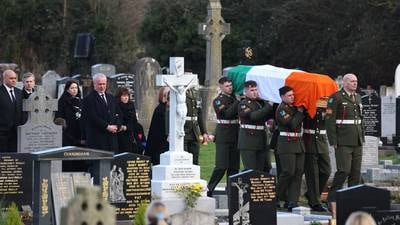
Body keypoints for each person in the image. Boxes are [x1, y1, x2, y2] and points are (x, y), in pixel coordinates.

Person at [326, 73, 364, 205]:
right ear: (345, 82)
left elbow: (359, 119)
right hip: (343, 141)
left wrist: (362, 137)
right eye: (352, 81)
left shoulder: (358, 97)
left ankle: (352, 202)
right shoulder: (336, 97)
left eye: (356, 81)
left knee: (355, 173)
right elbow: (329, 121)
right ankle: (332, 200)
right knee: (343, 171)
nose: (355, 83)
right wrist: (333, 141)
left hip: (357, 140)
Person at [207, 77, 240, 197]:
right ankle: (209, 188)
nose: (230, 87)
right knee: (221, 165)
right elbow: (226, 114)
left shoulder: (234, 98)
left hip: (235, 134)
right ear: (221, 87)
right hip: (224, 136)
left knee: (234, 166)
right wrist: (237, 102)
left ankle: (232, 191)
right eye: (227, 86)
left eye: (231, 85)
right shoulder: (218, 101)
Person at [275, 85, 305, 212]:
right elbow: (292, 124)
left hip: (298, 142)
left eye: (293, 95)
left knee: (298, 173)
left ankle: (292, 201)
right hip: (286, 143)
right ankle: (274, 197)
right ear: (282, 97)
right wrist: (300, 112)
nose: (292, 97)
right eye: (289, 95)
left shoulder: (293, 107)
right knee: (288, 172)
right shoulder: (281, 109)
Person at [237, 80, 273, 171]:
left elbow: (267, 116)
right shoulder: (243, 104)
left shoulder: (260, 103)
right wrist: (268, 106)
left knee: (261, 169)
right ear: (246, 92)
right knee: (250, 169)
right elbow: (254, 116)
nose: (255, 92)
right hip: (248, 140)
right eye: (252, 90)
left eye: (256, 89)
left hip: (261, 139)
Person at [303, 102, 331, 212]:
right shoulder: (306, 104)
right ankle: (315, 202)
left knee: (326, 171)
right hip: (309, 141)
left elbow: (330, 118)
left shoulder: (326, 103)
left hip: (322, 141)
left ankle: (311, 194)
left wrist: (327, 111)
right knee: (312, 173)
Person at [81, 73, 121, 152]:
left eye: (104, 84)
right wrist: (107, 126)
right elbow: (92, 117)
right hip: (97, 139)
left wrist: (117, 126)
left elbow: (118, 113)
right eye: (99, 84)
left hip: (112, 138)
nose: (102, 86)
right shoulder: (88, 99)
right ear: (94, 84)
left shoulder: (111, 97)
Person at [184, 85, 208, 165]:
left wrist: (204, 132)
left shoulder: (195, 93)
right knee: (184, 159)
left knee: (195, 158)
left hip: (194, 131)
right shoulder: (179, 92)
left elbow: (199, 114)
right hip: (183, 129)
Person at [54, 80, 84, 146]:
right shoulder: (62, 101)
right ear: (67, 89)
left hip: (80, 131)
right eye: (72, 88)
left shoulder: (81, 101)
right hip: (68, 132)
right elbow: (59, 117)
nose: (74, 90)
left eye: (76, 88)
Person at [0, 70, 23, 152]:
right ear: (4, 79)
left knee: (14, 158)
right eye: (11, 78)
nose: (14, 80)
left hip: (16, 132)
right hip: (2, 132)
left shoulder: (19, 92)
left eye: (15, 78)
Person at [146, 87, 170, 165]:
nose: (166, 97)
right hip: (160, 144)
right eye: (165, 95)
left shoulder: (169, 109)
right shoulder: (160, 109)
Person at [115, 87, 138, 154]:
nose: (126, 97)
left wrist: (126, 127)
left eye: (127, 95)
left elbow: (134, 122)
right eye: (123, 96)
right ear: (119, 97)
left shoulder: (131, 105)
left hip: (129, 135)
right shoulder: (115, 105)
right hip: (118, 136)